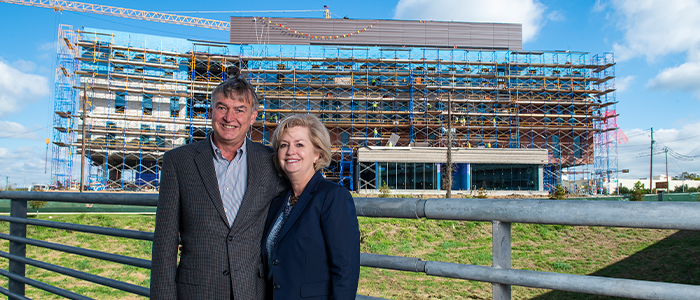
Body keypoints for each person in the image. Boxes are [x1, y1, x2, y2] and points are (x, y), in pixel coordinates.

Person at [151, 75, 287, 300]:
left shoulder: (270, 162)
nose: (229, 117)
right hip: (196, 291)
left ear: (253, 116)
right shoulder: (178, 162)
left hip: (252, 291)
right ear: (210, 111)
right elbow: (165, 242)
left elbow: (302, 191)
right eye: (222, 107)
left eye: (239, 110)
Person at [263, 114, 360, 300]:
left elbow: (345, 271)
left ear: (317, 154)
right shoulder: (278, 201)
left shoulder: (333, 197)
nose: (290, 151)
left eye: (299, 144)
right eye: (284, 145)